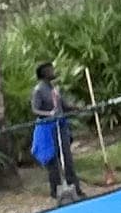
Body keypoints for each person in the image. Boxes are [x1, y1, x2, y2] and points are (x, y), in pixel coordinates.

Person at [30, 61, 85, 201]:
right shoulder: (38, 90)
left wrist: (76, 108)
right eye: (50, 70)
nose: (53, 71)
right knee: (53, 161)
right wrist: (49, 114)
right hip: (48, 129)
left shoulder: (54, 89)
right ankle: (56, 191)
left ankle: (75, 189)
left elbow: (63, 105)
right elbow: (35, 110)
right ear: (43, 73)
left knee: (67, 159)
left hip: (61, 126)